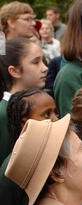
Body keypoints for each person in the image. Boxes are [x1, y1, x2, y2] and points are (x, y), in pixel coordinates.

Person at [0, 89, 57, 205]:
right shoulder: (12, 170)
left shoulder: (54, 158)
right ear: (24, 122)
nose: (55, 119)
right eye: (46, 115)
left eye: (55, 112)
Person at [0, 37, 48, 166]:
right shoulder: (3, 114)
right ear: (14, 71)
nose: (44, 68)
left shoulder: (43, 103)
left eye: (43, 61)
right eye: (36, 62)